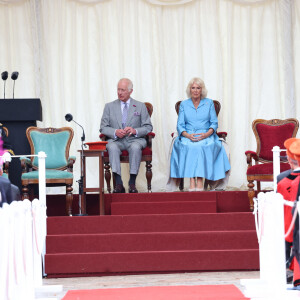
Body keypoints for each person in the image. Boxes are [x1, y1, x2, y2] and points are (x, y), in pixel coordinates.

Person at [169, 77, 230, 191]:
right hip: (188, 135)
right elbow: (180, 125)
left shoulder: (209, 103)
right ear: (189, 90)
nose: (195, 90)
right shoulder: (184, 104)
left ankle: (200, 180)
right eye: (193, 88)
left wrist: (207, 134)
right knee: (190, 146)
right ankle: (192, 180)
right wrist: (187, 135)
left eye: (198, 88)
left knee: (201, 146)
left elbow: (214, 123)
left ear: (202, 90)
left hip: (206, 135)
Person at [100, 78, 153, 193]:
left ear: (130, 91)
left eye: (123, 90)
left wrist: (135, 131)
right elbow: (103, 127)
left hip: (135, 139)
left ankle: (132, 183)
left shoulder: (140, 106)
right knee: (112, 147)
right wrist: (115, 132)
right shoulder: (109, 106)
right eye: (118, 89)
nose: (119, 92)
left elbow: (148, 127)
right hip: (116, 140)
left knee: (135, 147)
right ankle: (119, 184)